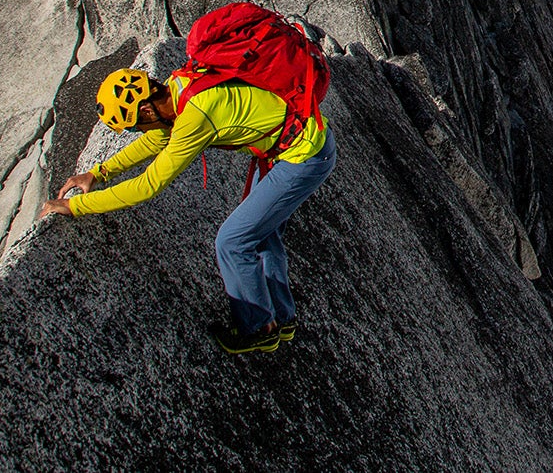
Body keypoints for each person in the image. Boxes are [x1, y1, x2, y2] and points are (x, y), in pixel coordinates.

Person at [38, 52, 336, 355]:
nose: (137, 131)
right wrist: (98, 173)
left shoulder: (195, 116)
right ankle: (282, 319)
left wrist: (76, 206)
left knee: (232, 242)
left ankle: (258, 328)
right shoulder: (179, 85)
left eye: (133, 125)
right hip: (300, 142)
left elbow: (148, 185)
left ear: (148, 111)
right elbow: (156, 141)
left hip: (303, 157)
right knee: (261, 235)